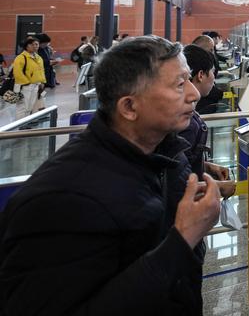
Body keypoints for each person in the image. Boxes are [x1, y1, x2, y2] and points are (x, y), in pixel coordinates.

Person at [0, 36, 220, 315]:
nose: (194, 93)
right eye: (179, 84)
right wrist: (183, 239)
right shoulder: (63, 200)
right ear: (129, 107)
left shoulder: (165, 153)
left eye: (189, 79)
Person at [180, 44, 236, 199]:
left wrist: (206, 166)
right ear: (200, 75)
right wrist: (218, 187)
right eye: (212, 71)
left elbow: (183, 164)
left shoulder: (189, 116)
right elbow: (179, 183)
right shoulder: (186, 123)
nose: (213, 77)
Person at [11, 36, 46, 119]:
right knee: (22, 107)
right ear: (27, 46)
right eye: (33, 44)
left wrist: (42, 82)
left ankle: (26, 122)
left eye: (37, 44)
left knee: (30, 107)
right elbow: (17, 72)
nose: (35, 46)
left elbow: (41, 71)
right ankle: (20, 124)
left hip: (36, 85)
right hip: (24, 86)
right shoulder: (21, 58)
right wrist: (27, 83)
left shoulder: (38, 58)